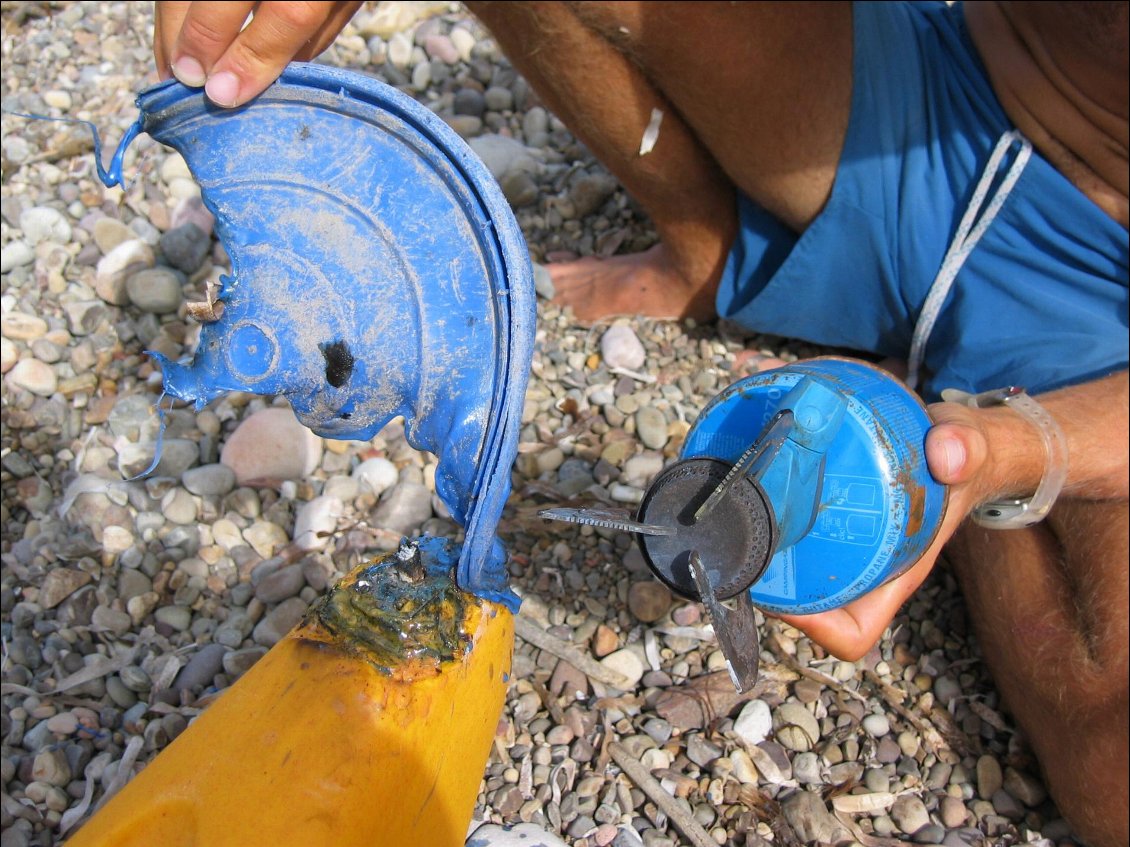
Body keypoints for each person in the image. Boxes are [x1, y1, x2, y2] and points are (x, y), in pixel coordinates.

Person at [152, 2, 1128, 844]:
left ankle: (939, 428)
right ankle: (705, 252)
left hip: (1096, 335)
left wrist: (1017, 449)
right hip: (929, 105)